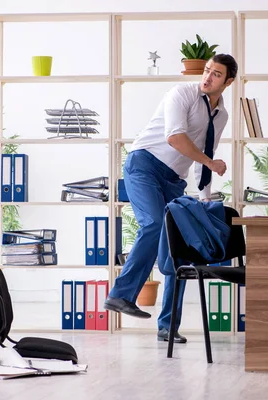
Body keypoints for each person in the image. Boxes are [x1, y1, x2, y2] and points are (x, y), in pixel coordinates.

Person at [103, 54, 237, 343]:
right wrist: (211, 164)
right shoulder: (181, 93)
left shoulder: (222, 115)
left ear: (228, 81)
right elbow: (175, 138)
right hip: (145, 166)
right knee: (152, 224)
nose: (207, 77)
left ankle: (168, 326)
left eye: (216, 74)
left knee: (179, 250)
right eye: (206, 70)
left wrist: (204, 198)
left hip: (175, 180)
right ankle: (120, 295)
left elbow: (206, 155)